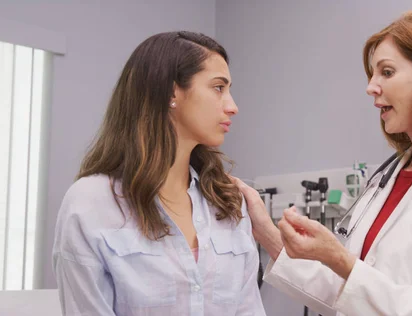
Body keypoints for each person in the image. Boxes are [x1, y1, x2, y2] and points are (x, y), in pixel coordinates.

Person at [233, 10, 412, 316]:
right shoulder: (388, 177)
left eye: (387, 72)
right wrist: (265, 231)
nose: (371, 86)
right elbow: (345, 296)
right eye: (373, 74)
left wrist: (341, 261)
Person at [52, 31, 265, 316]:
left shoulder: (228, 203)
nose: (232, 106)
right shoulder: (91, 203)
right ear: (171, 92)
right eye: (218, 88)